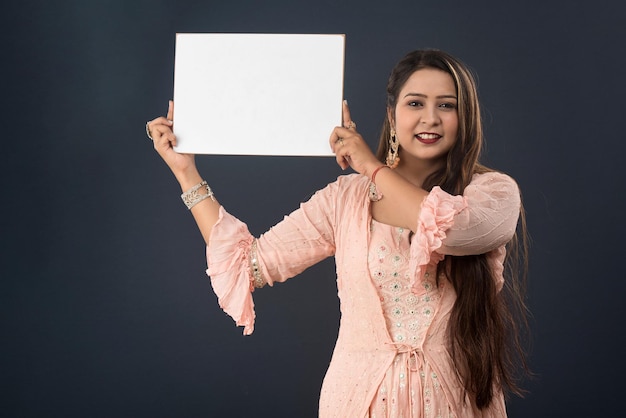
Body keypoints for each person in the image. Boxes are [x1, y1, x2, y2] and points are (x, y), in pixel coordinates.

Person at [147, 49, 529, 417]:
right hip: (355, 403)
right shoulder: (344, 200)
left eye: (446, 105)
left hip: (457, 403)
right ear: (392, 116)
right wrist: (185, 172)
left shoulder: (492, 193)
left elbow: (455, 231)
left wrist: (372, 167)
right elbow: (247, 265)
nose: (430, 117)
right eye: (415, 103)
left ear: (466, 117)